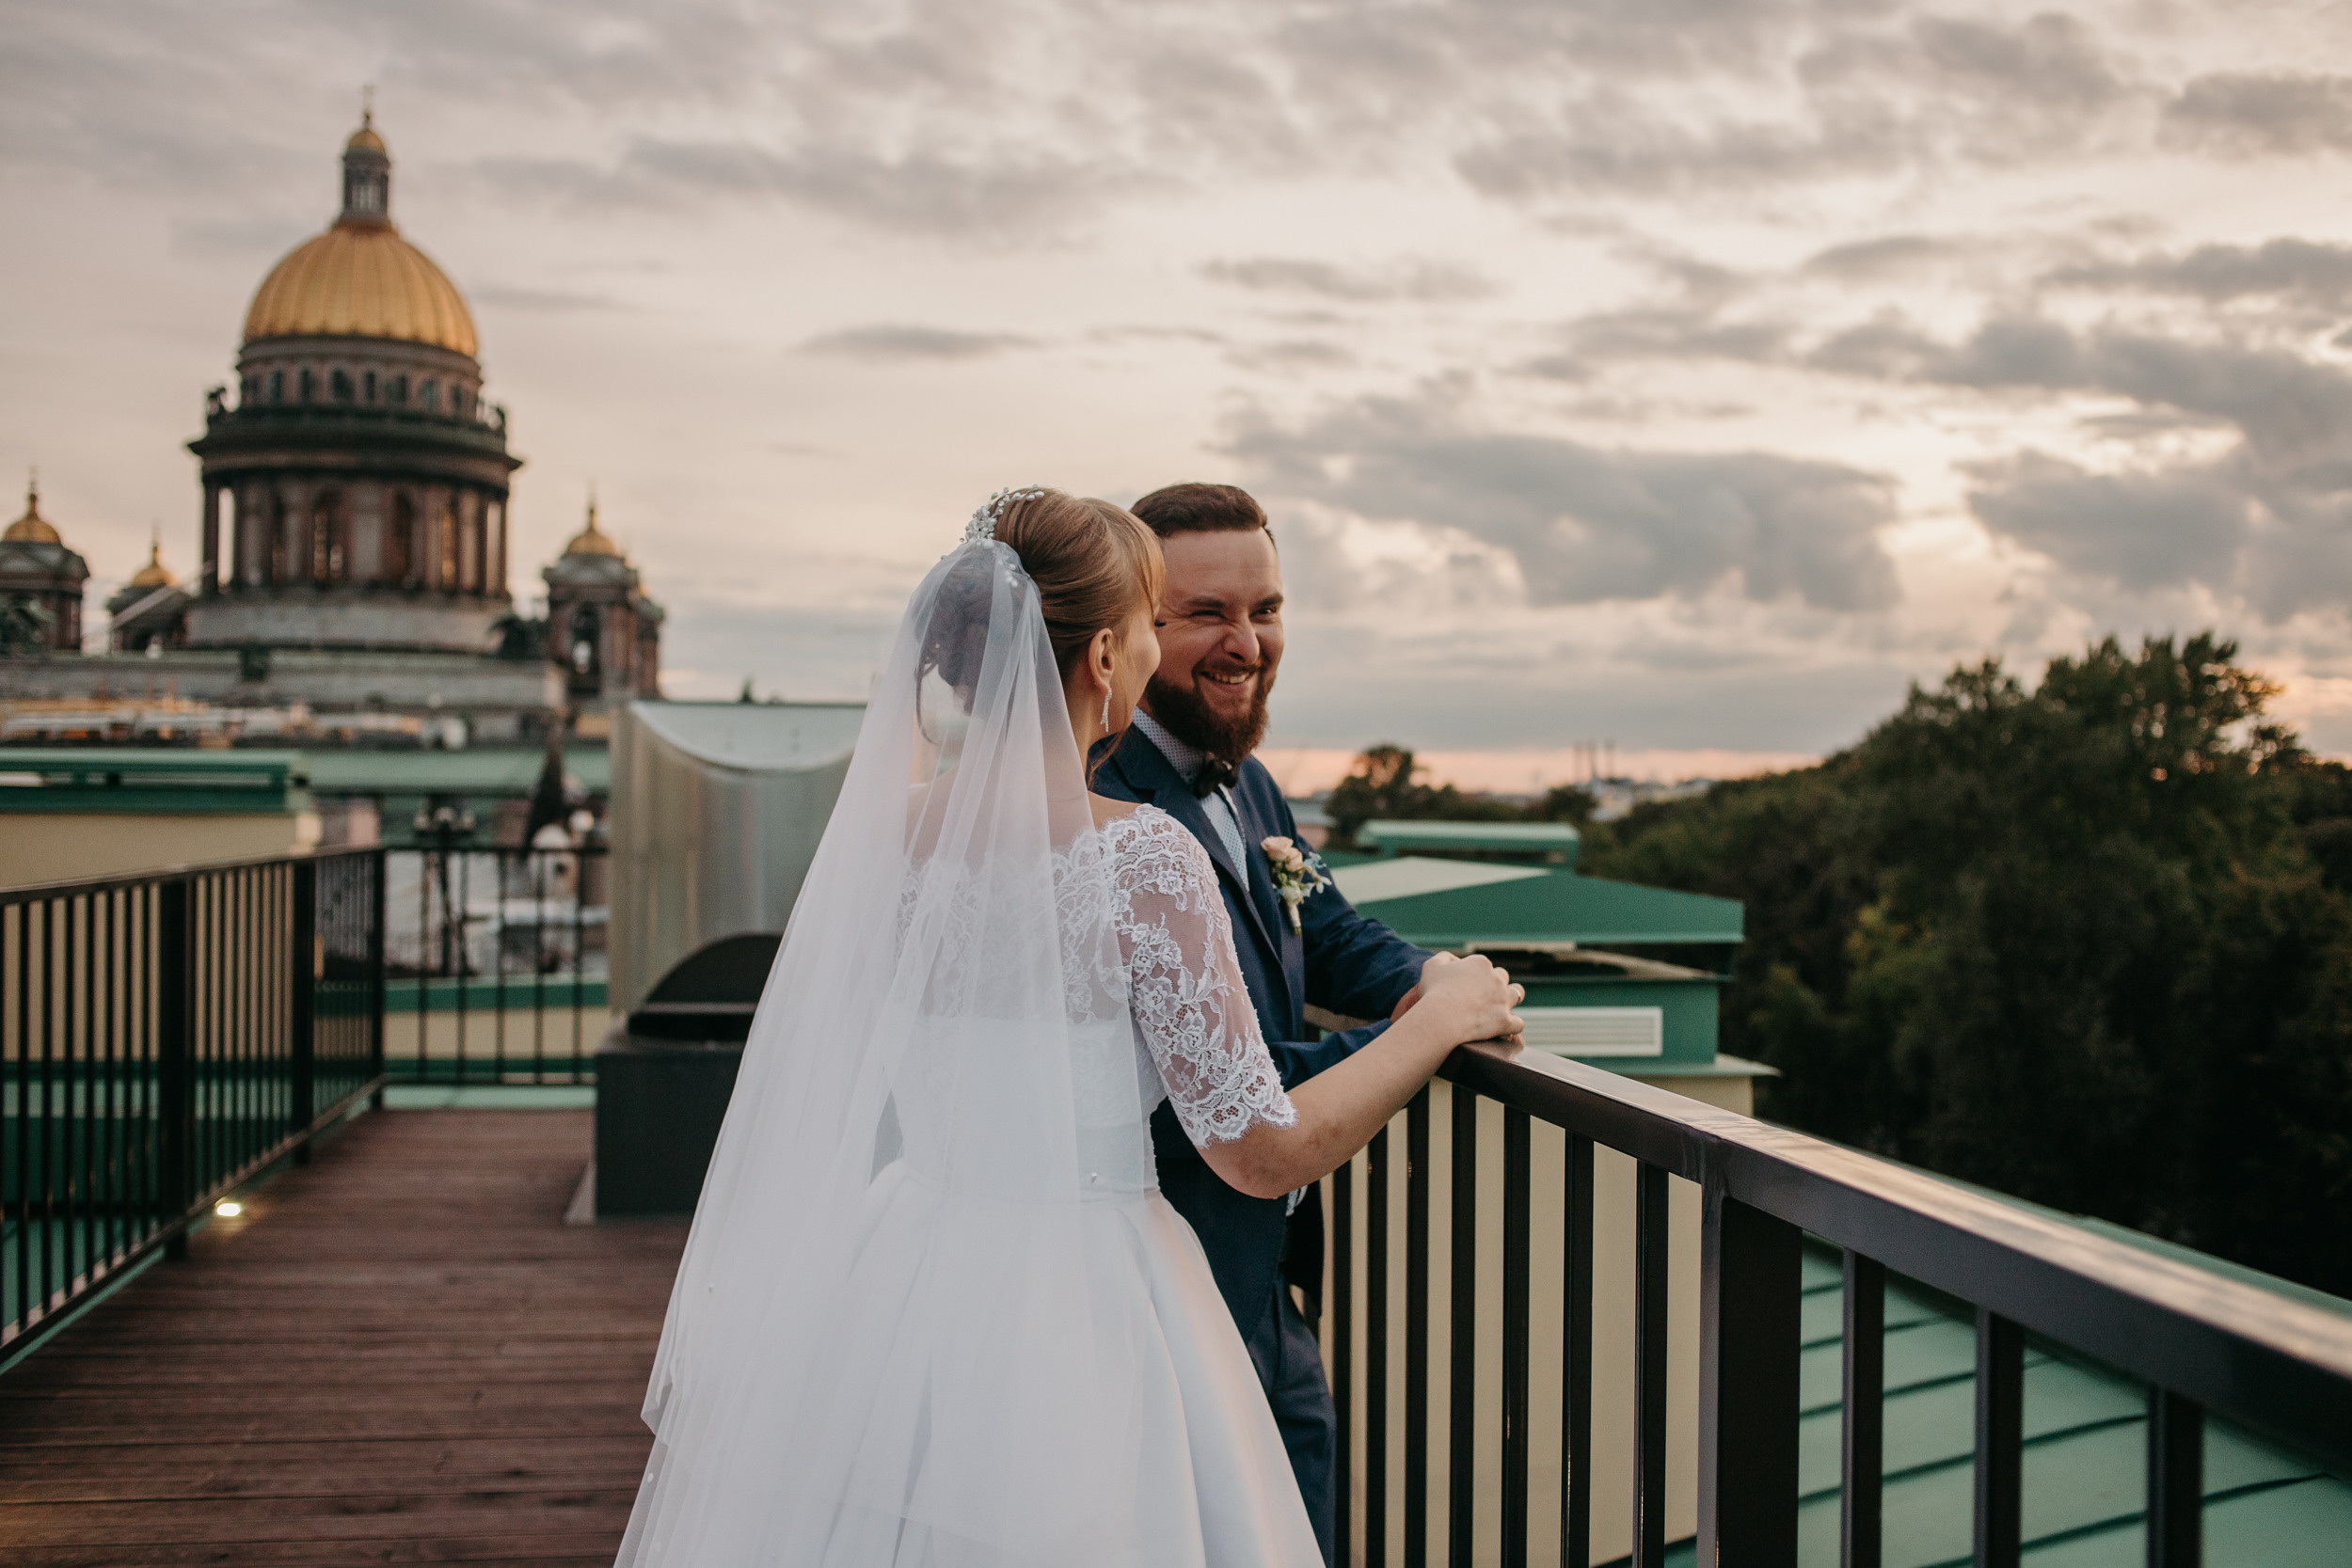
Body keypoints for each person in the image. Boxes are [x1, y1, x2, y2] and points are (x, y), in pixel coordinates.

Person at [616, 488, 1522, 1566]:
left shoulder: (889, 840)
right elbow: (1261, 1146)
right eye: (1152, 620)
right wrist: (1441, 1020)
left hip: (910, 1269)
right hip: (1089, 1297)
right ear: (1104, 655)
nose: (1152, 647)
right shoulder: (1140, 856)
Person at [1092, 482, 1445, 1560]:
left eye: (1268, 608)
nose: (1247, 641)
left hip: (1268, 1280)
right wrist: (1416, 1039)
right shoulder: (1105, 803)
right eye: (1207, 613)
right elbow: (1191, 1073)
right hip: (1160, 1287)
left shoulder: (1248, 788)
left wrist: (1434, 978)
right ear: (1134, 630)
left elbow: (1330, 932)